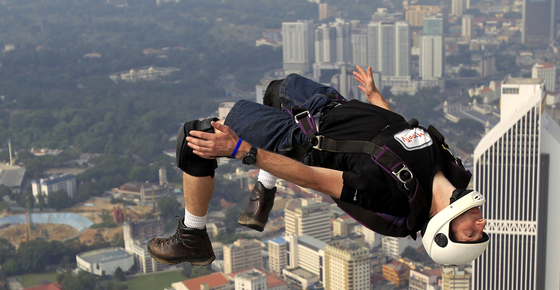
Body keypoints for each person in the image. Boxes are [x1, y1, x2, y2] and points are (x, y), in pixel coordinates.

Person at [148, 66, 488, 267]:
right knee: (277, 91)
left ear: (442, 232)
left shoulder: (394, 198)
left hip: (304, 137)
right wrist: (375, 97)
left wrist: (242, 150)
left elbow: (313, 178)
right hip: (331, 105)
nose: (481, 222)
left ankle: (192, 237)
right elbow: (400, 134)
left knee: (196, 136)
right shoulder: (452, 168)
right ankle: (264, 190)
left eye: (471, 233)